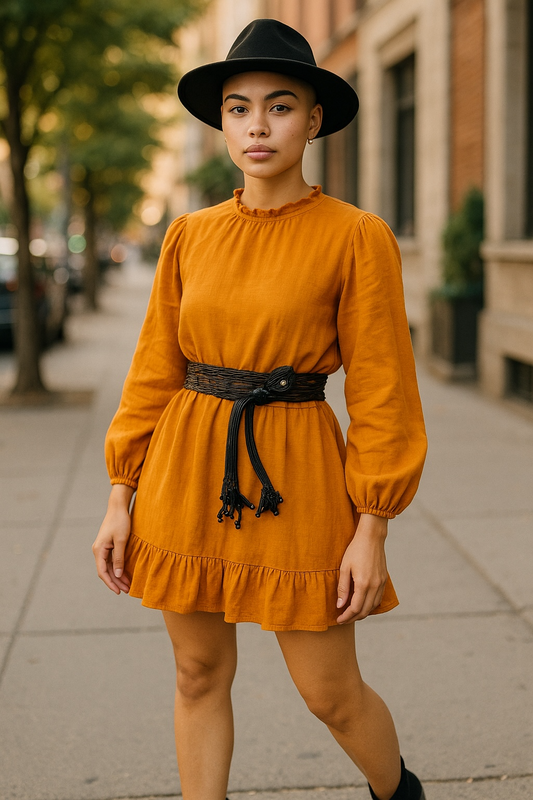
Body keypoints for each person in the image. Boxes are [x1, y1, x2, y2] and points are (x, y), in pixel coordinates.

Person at [92, 18, 428, 800]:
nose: (257, 125)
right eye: (238, 108)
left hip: (298, 476)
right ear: (221, 123)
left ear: (313, 120)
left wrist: (372, 525)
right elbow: (154, 371)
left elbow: (382, 391)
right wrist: (119, 494)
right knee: (196, 672)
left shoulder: (356, 236)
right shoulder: (188, 235)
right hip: (186, 473)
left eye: (279, 106)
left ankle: (400, 795)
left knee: (330, 694)